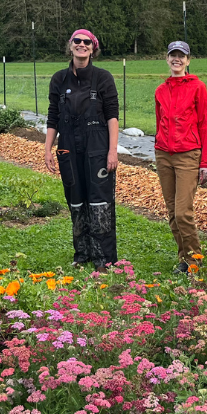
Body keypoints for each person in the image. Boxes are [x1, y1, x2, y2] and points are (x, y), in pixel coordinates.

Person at [43, 29, 120, 269]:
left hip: (98, 147)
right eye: (77, 41)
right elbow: (53, 117)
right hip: (68, 147)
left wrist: (112, 150)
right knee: (75, 200)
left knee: (99, 202)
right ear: (71, 45)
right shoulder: (59, 79)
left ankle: (104, 258)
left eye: (87, 42)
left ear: (93, 48)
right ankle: (82, 254)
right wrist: (47, 149)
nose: (82, 45)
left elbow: (112, 116)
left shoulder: (103, 78)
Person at [154, 41, 207, 272]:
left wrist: (205, 162)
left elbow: (205, 124)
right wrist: (159, 143)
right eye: (173, 55)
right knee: (172, 212)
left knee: (182, 212)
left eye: (181, 56)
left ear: (188, 60)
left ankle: (195, 260)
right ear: (167, 59)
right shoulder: (160, 90)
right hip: (164, 155)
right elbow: (159, 122)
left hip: (188, 154)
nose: (177, 59)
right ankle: (184, 258)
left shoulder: (197, 87)